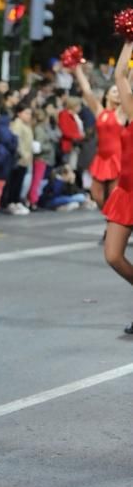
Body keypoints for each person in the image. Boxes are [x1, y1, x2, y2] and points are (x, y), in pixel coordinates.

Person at [102, 40, 133, 335]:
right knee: (112, 255)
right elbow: (120, 75)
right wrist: (128, 40)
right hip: (126, 193)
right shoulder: (132, 109)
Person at [73, 62, 124, 210]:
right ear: (106, 95)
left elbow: (126, 87)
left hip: (117, 157)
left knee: (115, 194)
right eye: (114, 91)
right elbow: (87, 90)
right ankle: (110, 220)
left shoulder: (121, 112)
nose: (118, 94)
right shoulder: (100, 111)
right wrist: (77, 69)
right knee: (97, 195)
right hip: (101, 157)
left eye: (119, 92)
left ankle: (114, 226)